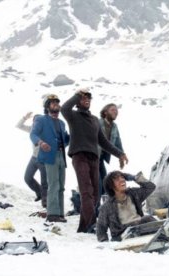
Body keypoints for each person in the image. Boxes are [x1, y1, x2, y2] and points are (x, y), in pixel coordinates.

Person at [61, 88, 129, 233]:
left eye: (88, 98)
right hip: (80, 156)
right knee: (86, 192)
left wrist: (120, 154)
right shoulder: (73, 116)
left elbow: (103, 142)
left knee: (96, 193)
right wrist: (77, 95)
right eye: (83, 98)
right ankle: (92, 224)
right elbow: (64, 108)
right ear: (78, 102)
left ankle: (84, 227)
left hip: (94, 158)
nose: (87, 100)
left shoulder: (94, 120)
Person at [30, 94, 70, 223]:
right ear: (47, 106)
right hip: (49, 156)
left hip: (61, 156)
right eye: (52, 103)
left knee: (62, 186)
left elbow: (65, 141)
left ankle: (60, 213)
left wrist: (72, 136)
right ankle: (52, 214)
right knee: (53, 184)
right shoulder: (41, 120)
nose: (56, 105)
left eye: (57, 102)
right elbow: (33, 134)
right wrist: (41, 143)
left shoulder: (62, 123)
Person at [96, 170, 156, 242]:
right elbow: (101, 227)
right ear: (111, 185)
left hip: (140, 228)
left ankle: (164, 237)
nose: (122, 180)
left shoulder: (133, 194)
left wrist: (134, 177)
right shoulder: (106, 206)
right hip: (122, 236)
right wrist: (105, 243)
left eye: (123, 177)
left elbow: (150, 187)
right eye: (117, 179)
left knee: (149, 219)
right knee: (148, 219)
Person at [16, 112, 48, 207]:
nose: (36, 123)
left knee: (45, 182)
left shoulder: (46, 131)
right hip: (34, 158)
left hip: (44, 159)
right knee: (28, 178)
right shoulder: (32, 129)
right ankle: (39, 193)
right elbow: (18, 126)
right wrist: (24, 117)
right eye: (34, 121)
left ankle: (46, 203)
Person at [98, 103, 124, 205]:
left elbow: (118, 142)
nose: (115, 112)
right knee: (98, 183)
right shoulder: (98, 123)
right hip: (94, 156)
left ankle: (105, 207)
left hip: (101, 158)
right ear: (105, 112)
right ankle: (96, 209)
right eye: (112, 110)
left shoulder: (114, 127)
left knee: (105, 182)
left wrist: (121, 156)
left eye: (116, 110)